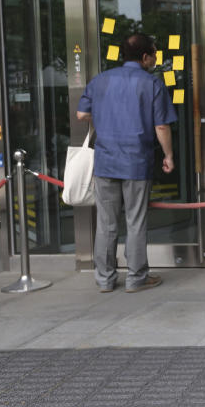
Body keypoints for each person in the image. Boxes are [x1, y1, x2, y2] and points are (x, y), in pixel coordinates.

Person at [77, 33, 177, 293]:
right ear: (144, 57)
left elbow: (81, 114)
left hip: (106, 161)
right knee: (135, 221)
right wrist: (168, 156)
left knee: (106, 224)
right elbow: (161, 125)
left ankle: (105, 279)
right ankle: (136, 278)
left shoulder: (100, 81)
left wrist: (106, 121)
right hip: (136, 161)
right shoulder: (152, 84)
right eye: (154, 54)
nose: (156, 59)